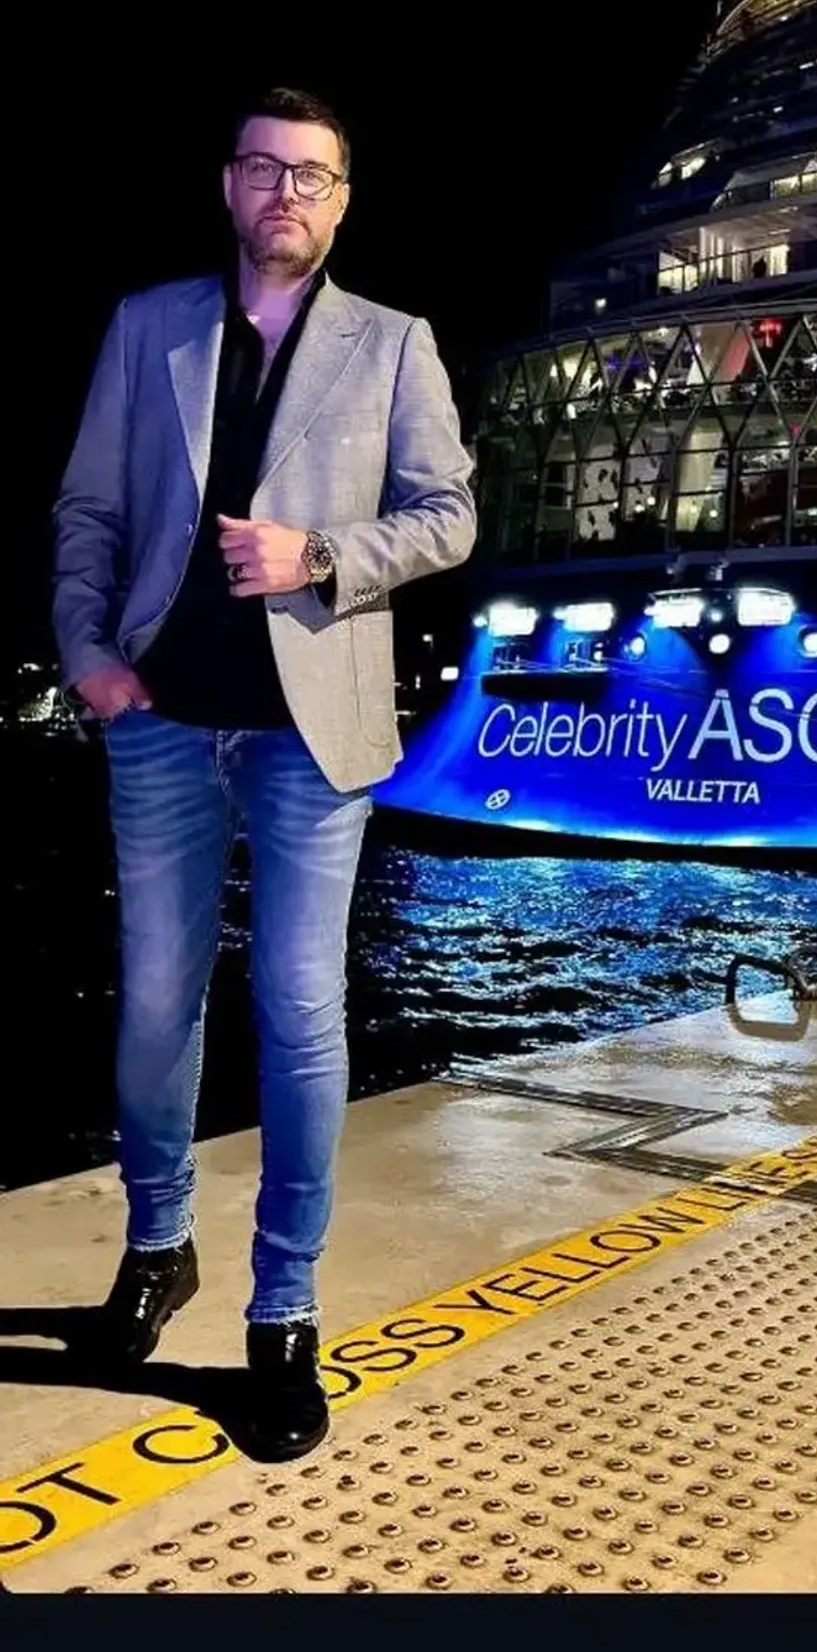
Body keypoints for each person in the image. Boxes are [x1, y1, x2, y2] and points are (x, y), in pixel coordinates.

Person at [51, 86, 476, 1459]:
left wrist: (323, 555)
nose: (285, 191)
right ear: (228, 184)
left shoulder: (394, 342)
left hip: (312, 730)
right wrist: (86, 650)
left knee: (298, 1009)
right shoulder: (149, 325)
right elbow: (90, 509)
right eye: (263, 168)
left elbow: (451, 516)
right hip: (160, 717)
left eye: (312, 174)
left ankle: (283, 1309)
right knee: (153, 1004)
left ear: (343, 199)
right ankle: (156, 1242)